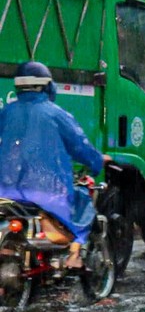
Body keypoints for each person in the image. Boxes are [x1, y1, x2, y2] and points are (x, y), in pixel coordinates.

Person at [0, 61, 110, 269]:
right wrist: (97, 161)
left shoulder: (5, 113)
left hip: (5, 191)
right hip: (47, 191)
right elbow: (80, 146)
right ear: (47, 86)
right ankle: (74, 254)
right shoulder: (56, 114)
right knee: (82, 205)